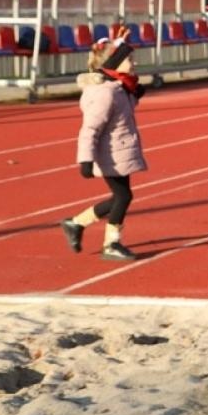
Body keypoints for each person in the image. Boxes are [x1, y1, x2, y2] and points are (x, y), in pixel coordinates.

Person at [62, 32, 146, 262]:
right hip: (109, 153)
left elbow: (122, 111)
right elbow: (90, 129)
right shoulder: (105, 93)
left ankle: (76, 222)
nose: (135, 63)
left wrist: (136, 95)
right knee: (123, 196)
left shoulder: (119, 88)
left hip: (119, 151)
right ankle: (111, 243)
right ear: (116, 64)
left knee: (120, 197)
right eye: (130, 59)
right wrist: (85, 160)